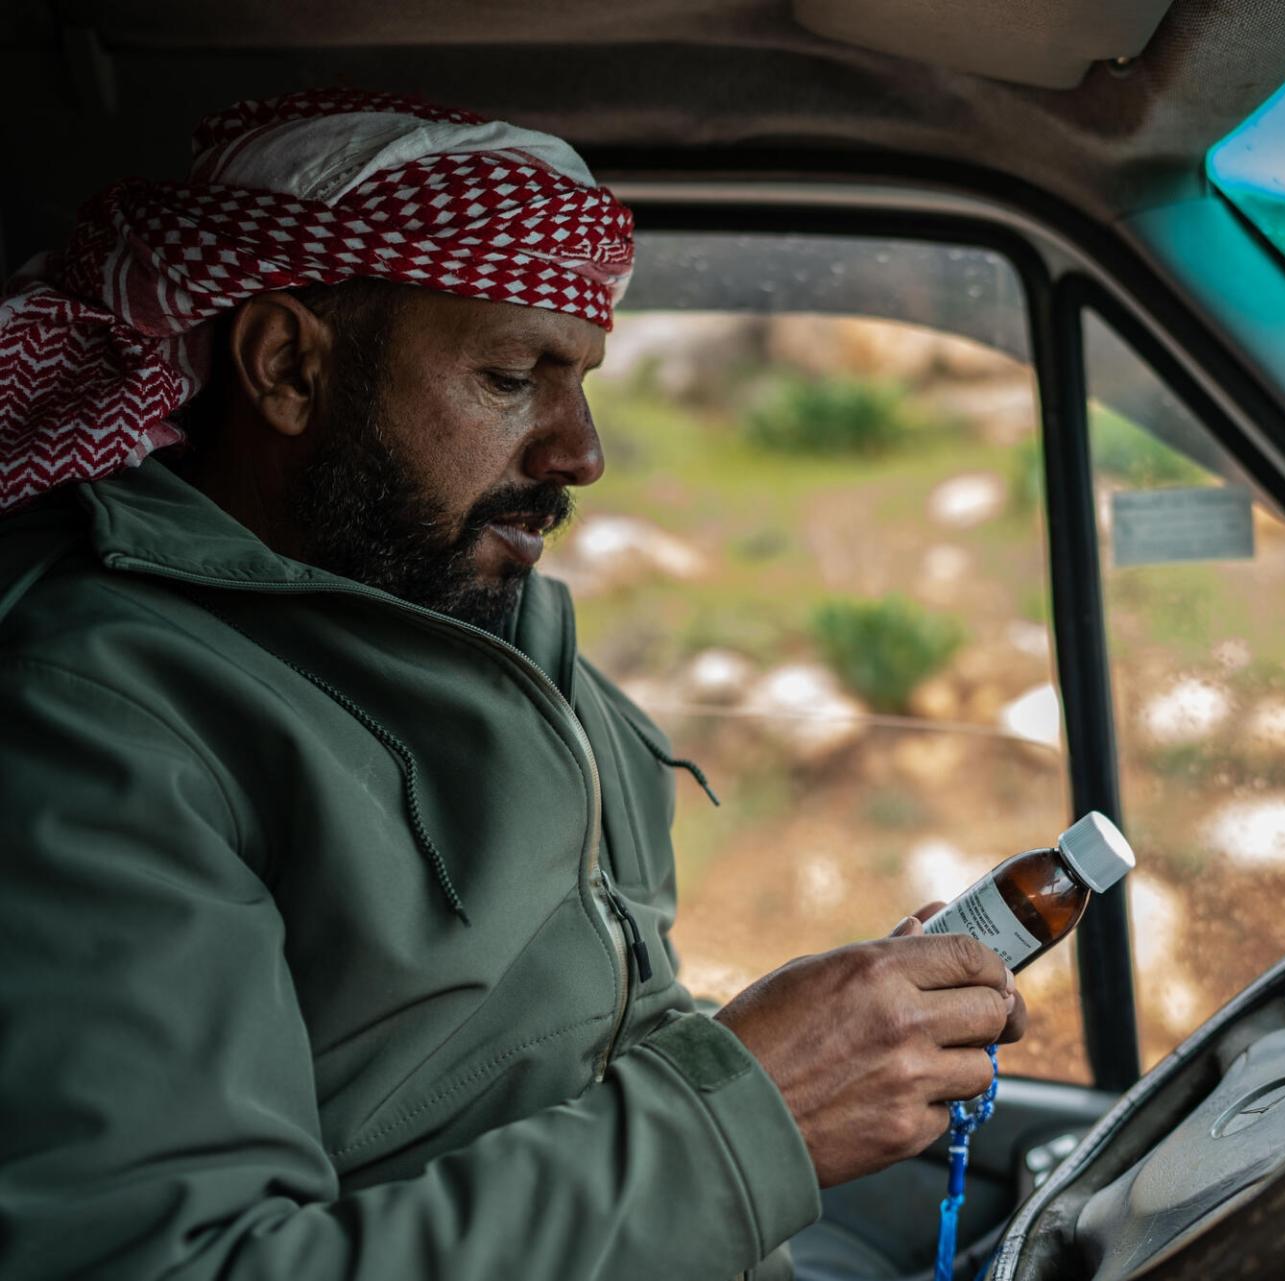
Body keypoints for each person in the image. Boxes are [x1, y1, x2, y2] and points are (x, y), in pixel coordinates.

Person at [0, 89, 1025, 1280]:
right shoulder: (101, 720)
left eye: (582, 378)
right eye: (510, 377)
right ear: (287, 366)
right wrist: (759, 1116)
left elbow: (564, 1047)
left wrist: (845, 1039)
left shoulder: (475, 621)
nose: (580, 452)